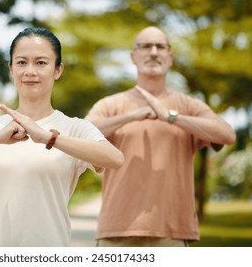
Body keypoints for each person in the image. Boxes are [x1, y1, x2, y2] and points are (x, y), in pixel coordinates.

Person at [0, 27, 124, 247]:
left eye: (41, 63)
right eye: (21, 62)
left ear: (58, 70)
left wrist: (48, 138)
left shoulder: (74, 127)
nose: (30, 71)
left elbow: (114, 158)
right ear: (10, 69)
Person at [85, 26, 236, 247]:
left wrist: (171, 117)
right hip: (116, 231)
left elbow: (227, 135)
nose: (154, 52)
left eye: (160, 47)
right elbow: (81, 133)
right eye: (145, 46)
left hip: (171, 232)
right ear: (133, 56)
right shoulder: (111, 104)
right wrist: (132, 115)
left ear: (170, 57)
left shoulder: (188, 105)